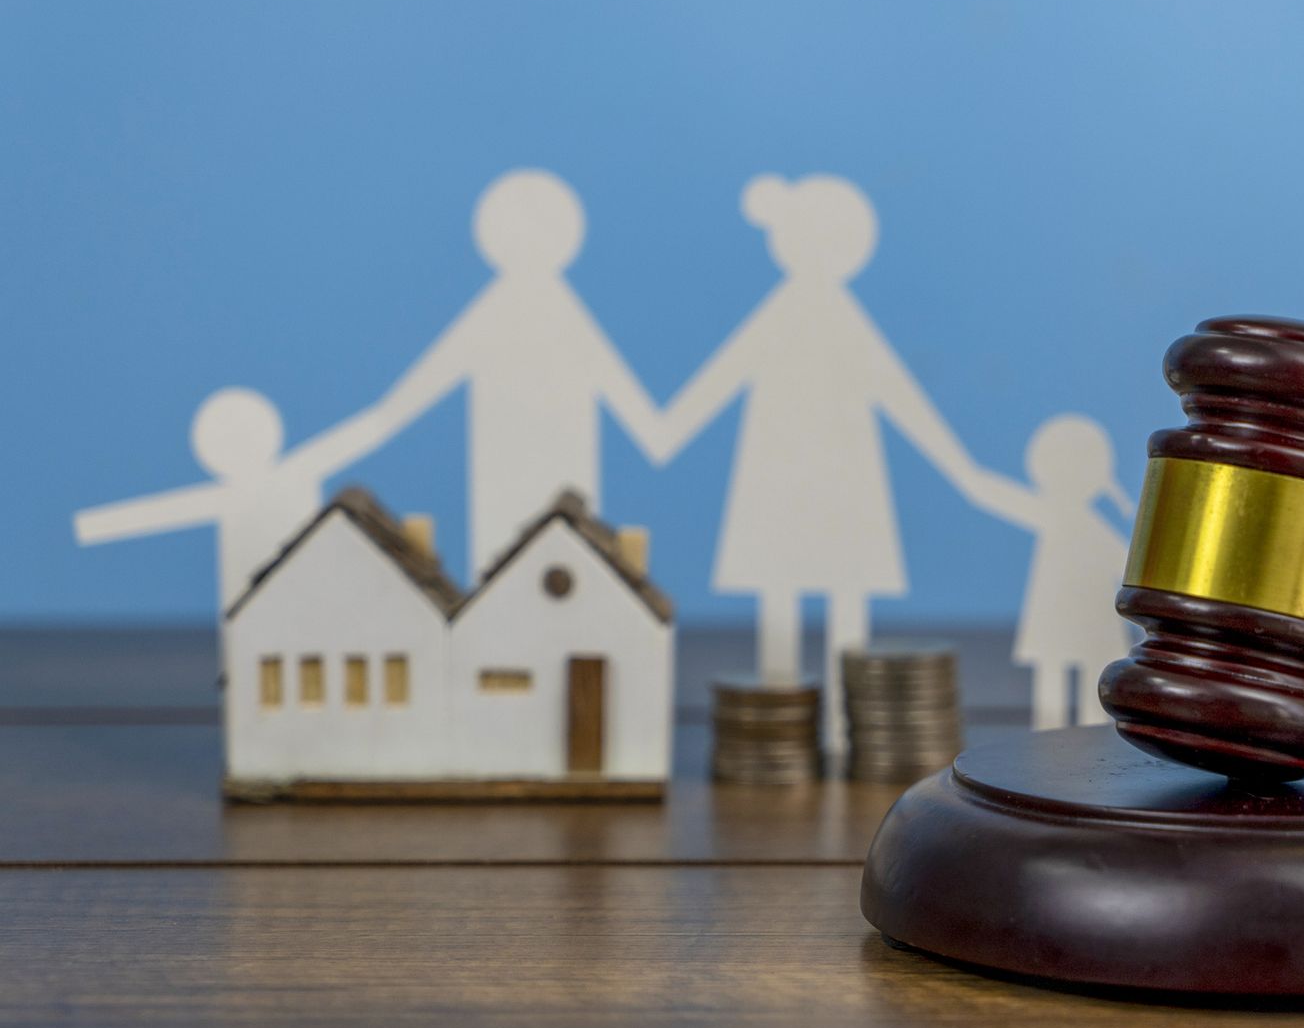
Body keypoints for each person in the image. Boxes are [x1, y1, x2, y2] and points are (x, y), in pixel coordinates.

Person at [650, 174, 985, 749]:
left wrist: (664, 430)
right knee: (801, 589)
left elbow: (896, 394)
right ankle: (795, 727)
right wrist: (667, 429)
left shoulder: (820, 315)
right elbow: (728, 375)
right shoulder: (798, 314)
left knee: (834, 586)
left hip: (832, 473)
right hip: (788, 471)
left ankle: (841, 729)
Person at [356, 169, 666, 576]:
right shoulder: (514, 314)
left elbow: (405, 402)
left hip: (561, 469)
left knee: (559, 556)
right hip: (503, 467)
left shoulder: (551, 315)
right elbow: (412, 396)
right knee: (506, 563)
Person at [74, 388, 388, 609]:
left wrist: (92, 526)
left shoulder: (294, 473)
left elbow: (379, 421)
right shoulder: (259, 486)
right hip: (251, 608)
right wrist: (89, 526)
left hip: (307, 602)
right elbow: (380, 420)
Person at [963, 415, 1137, 728]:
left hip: (1090, 621)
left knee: (1086, 689)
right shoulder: (1078, 521)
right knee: (1057, 685)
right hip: (1061, 616)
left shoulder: (1085, 526)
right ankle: (1054, 738)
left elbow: (1125, 566)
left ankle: (1082, 739)